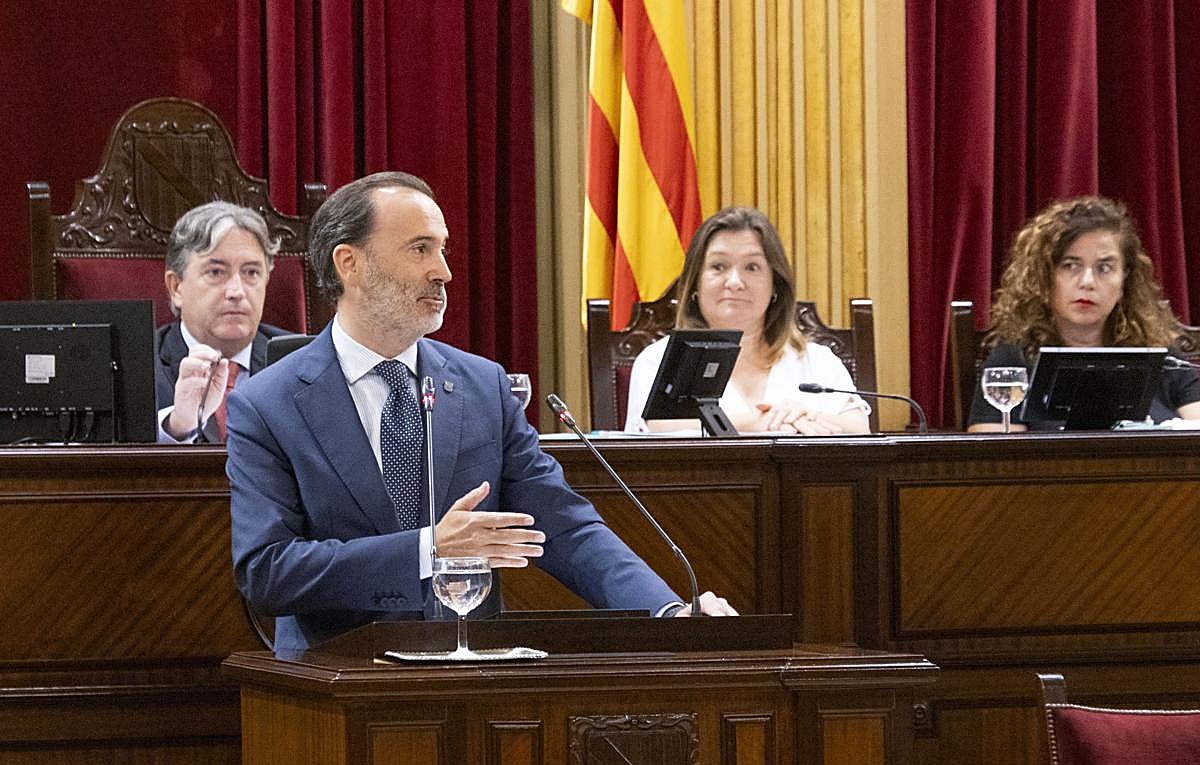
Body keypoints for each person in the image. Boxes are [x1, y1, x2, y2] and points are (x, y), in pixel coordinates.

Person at [225, 171, 736, 651]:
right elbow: (267, 573)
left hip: (474, 678)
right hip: (336, 684)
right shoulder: (268, 404)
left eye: (442, 249)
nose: (443, 271)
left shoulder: (480, 386)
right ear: (350, 264)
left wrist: (667, 614)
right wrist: (426, 551)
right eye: (420, 249)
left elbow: (563, 527)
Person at [624, 206, 870, 435]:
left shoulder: (816, 360)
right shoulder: (658, 360)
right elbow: (658, 427)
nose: (734, 282)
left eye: (752, 267)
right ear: (695, 284)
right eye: (718, 266)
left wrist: (806, 413)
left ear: (775, 285)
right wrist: (760, 420)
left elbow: (860, 430)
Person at [968, 196, 1200, 431]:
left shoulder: (1158, 353)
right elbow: (997, 460)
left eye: (1105, 268)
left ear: (1124, 282)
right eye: (1071, 266)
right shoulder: (1014, 359)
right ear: (1044, 279)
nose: (1088, 282)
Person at [155, 201, 291, 443]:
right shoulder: (138, 366)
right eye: (216, 272)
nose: (236, 291)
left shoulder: (299, 361)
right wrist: (178, 427)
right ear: (177, 287)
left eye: (251, 273)